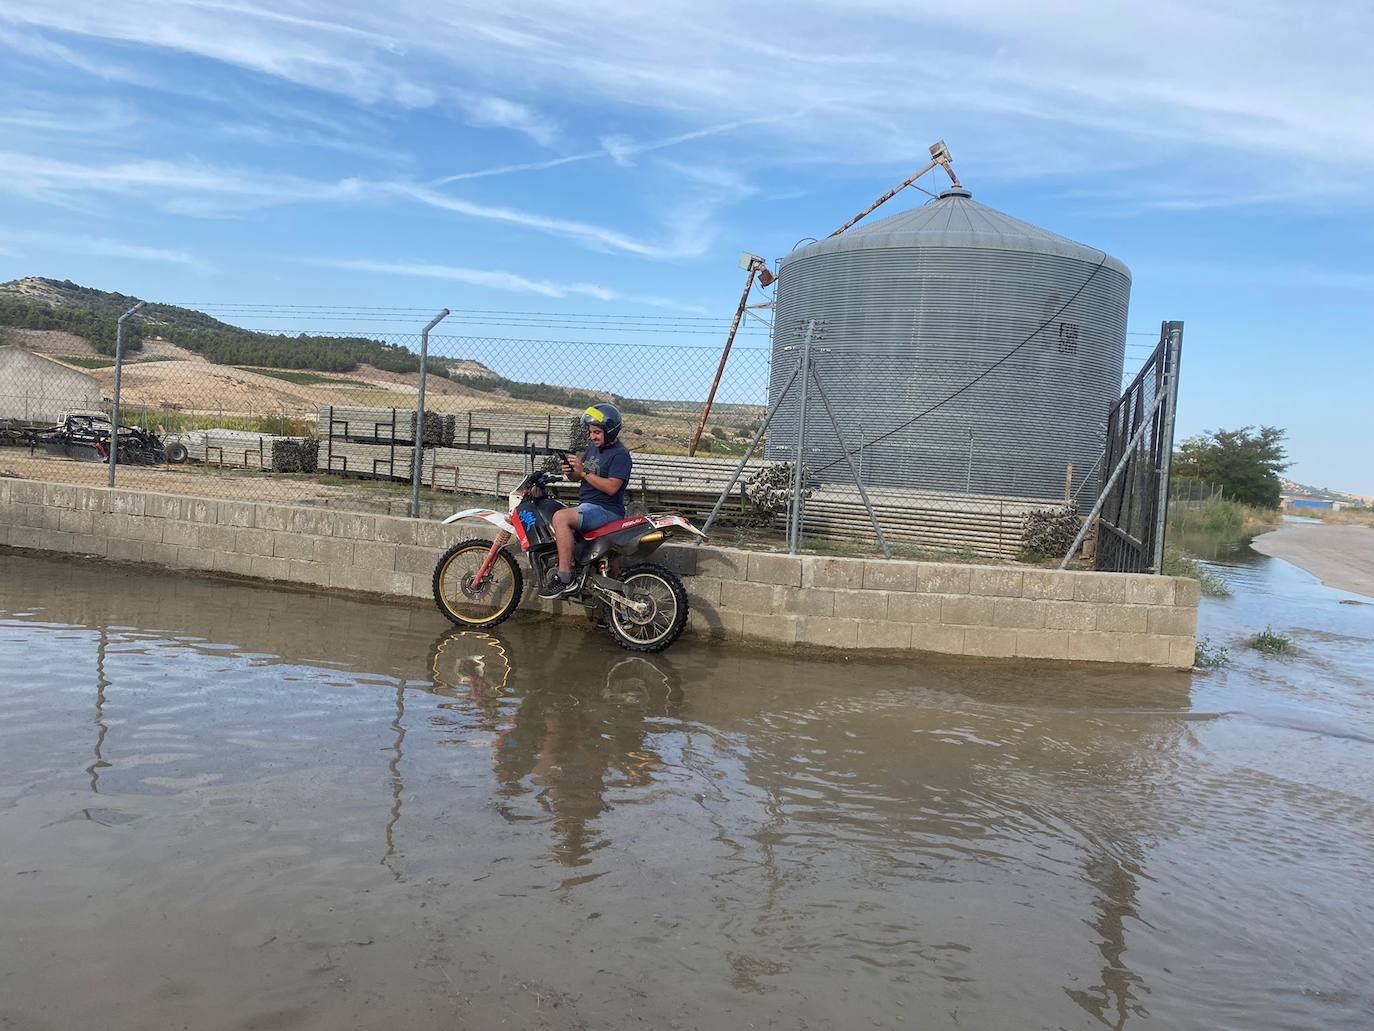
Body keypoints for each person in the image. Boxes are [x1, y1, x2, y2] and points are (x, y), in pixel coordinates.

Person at [538, 403, 633, 599]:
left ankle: (565, 577)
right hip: (588, 507)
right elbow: (581, 476)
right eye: (591, 432)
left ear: (611, 430)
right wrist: (571, 473)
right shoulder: (592, 449)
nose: (593, 436)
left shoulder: (620, 455)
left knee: (561, 518)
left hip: (606, 510)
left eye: (597, 432)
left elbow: (612, 487)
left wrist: (582, 471)